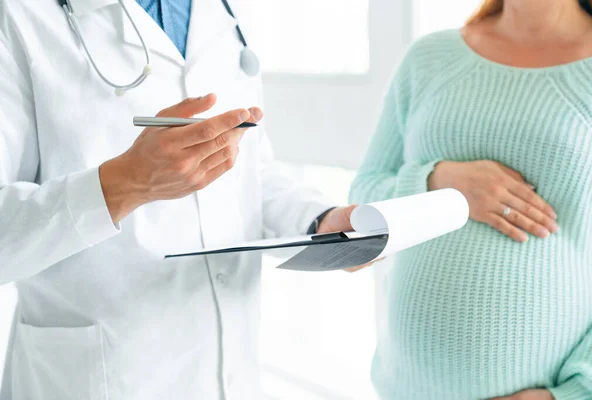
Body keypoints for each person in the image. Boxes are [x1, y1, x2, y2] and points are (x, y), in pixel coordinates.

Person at [0, 0, 355, 399]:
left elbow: (248, 170)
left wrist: (321, 221)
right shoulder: (18, 14)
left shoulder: (223, 11)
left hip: (229, 371)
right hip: (98, 375)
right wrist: (125, 184)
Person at [349, 0, 592, 399]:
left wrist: (577, 393)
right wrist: (434, 182)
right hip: (404, 388)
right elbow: (363, 195)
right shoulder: (429, 59)